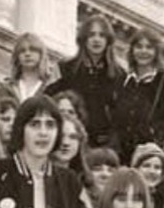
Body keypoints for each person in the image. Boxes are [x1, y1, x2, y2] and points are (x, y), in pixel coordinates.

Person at [49, 12, 122, 149]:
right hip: (68, 139)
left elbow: (122, 116)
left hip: (101, 145)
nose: (96, 40)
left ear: (108, 40)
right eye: (92, 35)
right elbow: (48, 100)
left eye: (101, 35)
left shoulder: (119, 75)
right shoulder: (65, 68)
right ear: (84, 39)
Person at [113, 28, 164, 165]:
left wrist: (156, 131)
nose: (143, 51)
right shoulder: (122, 82)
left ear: (156, 52)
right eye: (139, 47)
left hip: (151, 157)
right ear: (132, 50)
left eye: (149, 47)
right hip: (122, 156)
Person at [0, 31, 55, 106]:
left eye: (33, 50)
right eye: (22, 51)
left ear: (41, 55)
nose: (27, 54)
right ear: (17, 57)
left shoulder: (52, 87)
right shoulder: (6, 88)